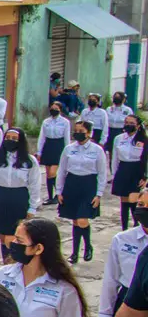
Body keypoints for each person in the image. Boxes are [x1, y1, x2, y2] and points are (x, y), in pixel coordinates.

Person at [0, 128, 43, 264]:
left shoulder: (29, 161)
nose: (10, 141)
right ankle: (6, 264)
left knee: (12, 239)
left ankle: (15, 265)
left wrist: (32, 207)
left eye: (14, 139)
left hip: (19, 198)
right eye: (8, 138)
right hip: (0, 197)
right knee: (3, 238)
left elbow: (35, 185)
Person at [56, 121, 107, 264]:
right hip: (72, 184)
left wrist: (99, 194)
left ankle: (88, 246)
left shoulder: (97, 150)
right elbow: (61, 170)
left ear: (89, 133)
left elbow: (102, 173)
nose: (77, 133)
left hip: (88, 185)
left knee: (82, 220)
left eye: (81, 130)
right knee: (75, 221)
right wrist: (59, 191)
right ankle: (74, 252)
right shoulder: (69, 149)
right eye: (76, 130)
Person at [111, 114, 147, 230]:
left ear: (137, 125)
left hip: (137, 170)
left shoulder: (142, 139)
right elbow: (115, 158)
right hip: (123, 169)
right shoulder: (119, 138)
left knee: (134, 200)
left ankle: (137, 224)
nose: (128, 125)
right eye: (126, 122)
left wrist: (145, 176)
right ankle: (124, 227)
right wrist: (114, 174)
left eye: (131, 123)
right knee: (124, 201)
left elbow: (145, 159)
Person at [39, 101, 72, 204]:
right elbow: (42, 137)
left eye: (56, 108)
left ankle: (59, 193)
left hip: (59, 146)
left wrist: (68, 151)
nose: (53, 110)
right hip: (48, 145)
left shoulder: (65, 122)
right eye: (52, 108)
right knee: (48, 173)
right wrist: (39, 151)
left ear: (60, 110)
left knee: (53, 172)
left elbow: (67, 137)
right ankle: (50, 196)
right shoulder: (46, 122)